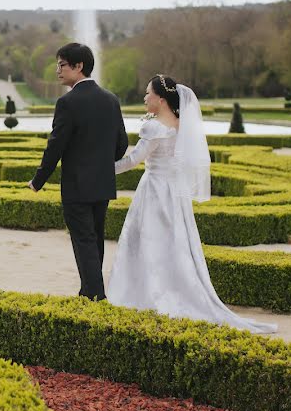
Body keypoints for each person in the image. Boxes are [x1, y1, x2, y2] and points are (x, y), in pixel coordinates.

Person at [108, 74, 277, 334]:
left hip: (154, 192)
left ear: (161, 99)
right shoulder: (181, 125)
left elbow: (132, 161)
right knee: (174, 245)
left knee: (149, 244)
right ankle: (172, 289)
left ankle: (147, 294)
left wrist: (101, 169)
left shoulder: (154, 127)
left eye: (148, 94)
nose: (144, 98)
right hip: (175, 194)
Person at [28, 43, 128, 300]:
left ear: (78, 66)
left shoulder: (67, 102)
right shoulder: (111, 99)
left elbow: (55, 146)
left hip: (76, 185)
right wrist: (101, 163)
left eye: (62, 65)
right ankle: (88, 291)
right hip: (102, 183)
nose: (57, 70)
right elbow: (121, 144)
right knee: (94, 240)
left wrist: (38, 180)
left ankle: (95, 296)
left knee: (83, 240)